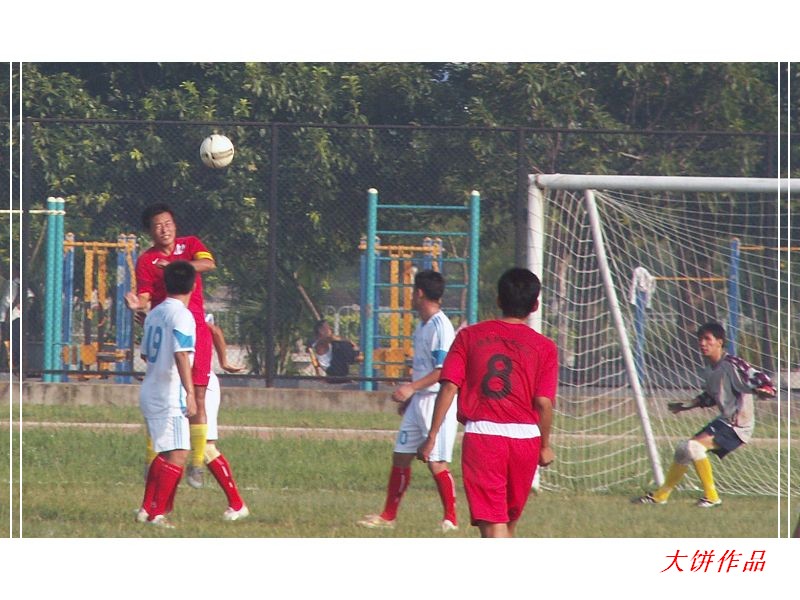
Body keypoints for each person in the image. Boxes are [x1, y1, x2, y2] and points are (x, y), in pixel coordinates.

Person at [417, 267, 557, 538]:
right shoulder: (545, 346)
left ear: (498, 300)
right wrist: (544, 445)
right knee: (506, 525)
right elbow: (543, 402)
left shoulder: (469, 336)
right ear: (535, 305)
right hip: (526, 440)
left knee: (494, 526)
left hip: (485, 437)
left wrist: (432, 435)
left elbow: (449, 386)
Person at [358, 270, 459, 532]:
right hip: (419, 401)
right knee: (401, 455)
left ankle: (451, 520)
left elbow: (443, 371)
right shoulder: (422, 325)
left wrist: (411, 388)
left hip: (437, 401)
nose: (411, 297)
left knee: (436, 462)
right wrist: (411, 396)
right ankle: (388, 516)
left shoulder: (441, 327)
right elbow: (424, 367)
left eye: (412, 292)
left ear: (419, 293)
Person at [635, 321, 775, 508]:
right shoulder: (709, 369)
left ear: (720, 342)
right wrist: (686, 406)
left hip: (738, 426)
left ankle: (712, 497)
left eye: (708, 339)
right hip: (724, 421)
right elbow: (710, 397)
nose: (703, 343)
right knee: (683, 449)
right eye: (700, 339)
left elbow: (761, 378)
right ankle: (661, 496)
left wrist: (766, 389)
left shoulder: (732, 364)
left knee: (694, 447)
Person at [125, 203, 215, 489]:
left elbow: (208, 264)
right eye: (157, 225)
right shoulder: (146, 260)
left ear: (175, 225)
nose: (164, 229)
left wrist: (178, 268)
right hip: (166, 331)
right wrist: (137, 304)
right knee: (163, 396)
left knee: (198, 396)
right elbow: (145, 295)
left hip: (195, 329)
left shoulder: (191, 245)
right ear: (150, 232)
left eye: (168, 223)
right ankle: (152, 459)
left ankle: (196, 464)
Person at [136, 261, 198, 528]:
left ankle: (146, 509)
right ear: (193, 286)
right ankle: (157, 514)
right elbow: (181, 354)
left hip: (151, 388)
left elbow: (145, 354)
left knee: (164, 451)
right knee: (179, 453)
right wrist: (190, 393)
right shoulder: (182, 315)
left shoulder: (154, 313)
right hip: (170, 393)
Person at [202, 313, 250, 520]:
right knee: (169, 448)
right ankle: (153, 508)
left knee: (205, 448)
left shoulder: (188, 308)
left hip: (201, 384)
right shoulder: (164, 311)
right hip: (181, 385)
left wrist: (223, 361)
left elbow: (214, 330)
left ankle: (237, 504)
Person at [1, 264, 34, 372]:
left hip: (12, 316)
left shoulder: (16, 283)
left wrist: (16, 306)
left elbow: (28, 296)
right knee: (9, 340)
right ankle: (10, 363)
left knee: (13, 341)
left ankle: (15, 364)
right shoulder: (9, 282)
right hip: (6, 315)